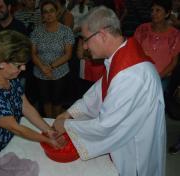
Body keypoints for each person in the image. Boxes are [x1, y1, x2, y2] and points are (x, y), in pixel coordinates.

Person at [53, 6, 166, 176]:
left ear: (102, 35)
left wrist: (68, 126)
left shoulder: (130, 74)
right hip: (127, 138)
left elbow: (107, 126)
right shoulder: (122, 56)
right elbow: (98, 92)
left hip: (134, 148)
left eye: (85, 39)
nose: (84, 47)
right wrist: (69, 113)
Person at [0, 30, 64, 176]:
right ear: (2, 63)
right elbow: (16, 128)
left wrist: (48, 130)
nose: (23, 68)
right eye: (19, 65)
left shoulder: (9, 76)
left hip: (4, 145)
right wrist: (47, 140)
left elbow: (26, 106)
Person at [31, 0, 74, 118]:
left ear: (57, 12)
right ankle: (49, 124)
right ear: (42, 15)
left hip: (60, 72)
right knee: (45, 101)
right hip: (40, 72)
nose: (48, 14)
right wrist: (43, 68)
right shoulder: (36, 32)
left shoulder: (66, 31)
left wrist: (49, 67)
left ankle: (56, 122)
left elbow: (68, 54)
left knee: (57, 100)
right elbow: (33, 54)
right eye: (45, 12)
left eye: (51, 11)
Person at [134, 0, 180, 91]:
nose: (153, 13)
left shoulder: (175, 34)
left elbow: (174, 62)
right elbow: (134, 52)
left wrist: (158, 76)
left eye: (158, 10)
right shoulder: (142, 29)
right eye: (152, 10)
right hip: (141, 75)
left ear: (167, 14)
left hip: (162, 77)